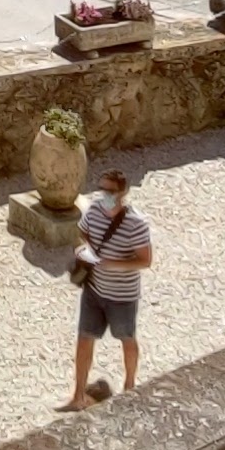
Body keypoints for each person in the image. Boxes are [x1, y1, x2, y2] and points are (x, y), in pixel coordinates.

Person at [61, 161, 152, 411]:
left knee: (127, 338)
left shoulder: (137, 224)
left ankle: (130, 386)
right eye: (103, 190)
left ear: (122, 193)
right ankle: (78, 395)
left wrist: (111, 263)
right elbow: (81, 235)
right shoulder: (93, 212)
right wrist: (82, 251)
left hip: (122, 295)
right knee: (84, 340)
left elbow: (145, 260)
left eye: (111, 191)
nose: (106, 196)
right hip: (95, 290)